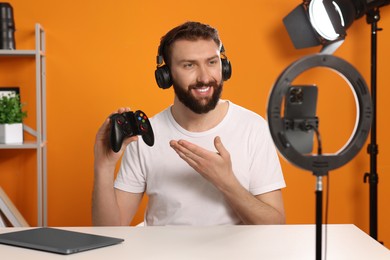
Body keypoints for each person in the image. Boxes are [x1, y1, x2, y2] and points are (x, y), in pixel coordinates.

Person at [92, 21, 286, 226]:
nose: (204, 78)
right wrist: (104, 165)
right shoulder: (145, 135)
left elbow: (275, 225)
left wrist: (227, 182)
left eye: (212, 62)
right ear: (165, 75)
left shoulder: (253, 128)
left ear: (224, 66)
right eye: (189, 65)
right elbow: (110, 230)